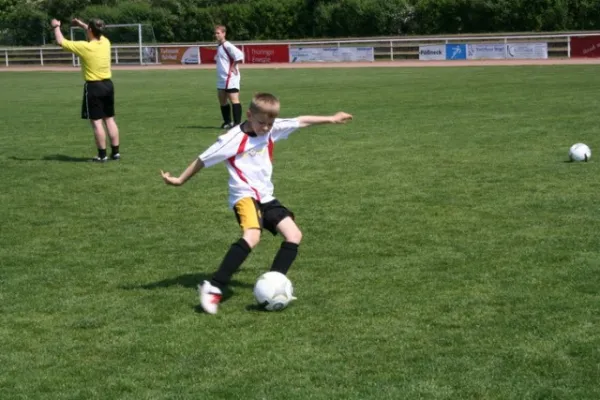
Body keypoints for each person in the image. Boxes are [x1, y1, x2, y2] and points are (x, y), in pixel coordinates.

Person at [161, 93, 353, 314]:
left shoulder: (271, 127)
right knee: (252, 235)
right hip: (244, 196)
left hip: (266, 197)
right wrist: (179, 180)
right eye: (261, 123)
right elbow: (203, 159)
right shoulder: (232, 139)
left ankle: (272, 283)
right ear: (249, 115)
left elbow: (301, 121)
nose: (266, 128)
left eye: (270, 123)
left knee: (294, 235)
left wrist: (331, 118)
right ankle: (213, 287)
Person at [50, 17, 121, 162]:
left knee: (96, 122)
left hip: (94, 86)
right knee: (110, 119)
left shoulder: (85, 47)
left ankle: (102, 156)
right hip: (108, 85)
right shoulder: (105, 42)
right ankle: (116, 153)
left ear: (90, 30)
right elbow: (94, 31)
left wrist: (55, 27)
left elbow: (60, 42)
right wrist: (82, 24)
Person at [214, 25, 245, 130]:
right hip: (221, 78)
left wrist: (233, 66)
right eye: (215, 33)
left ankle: (237, 124)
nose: (216, 35)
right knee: (222, 99)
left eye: (218, 33)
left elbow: (240, 55)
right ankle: (227, 122)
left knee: (234, 99)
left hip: (230, 78)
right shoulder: (219, 46)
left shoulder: (227, 45)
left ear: (224, 33)